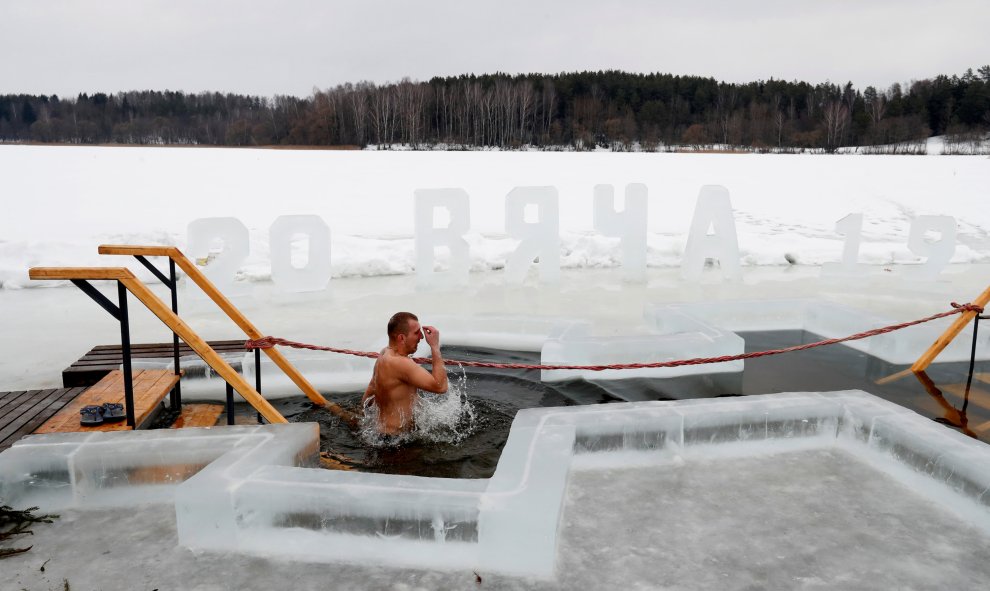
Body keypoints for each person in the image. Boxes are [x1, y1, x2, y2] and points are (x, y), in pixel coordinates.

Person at [362, 312, 448, 435]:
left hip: (382, 435)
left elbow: (371, 390)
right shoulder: (401, 363)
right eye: (416, 333)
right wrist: (435, 347)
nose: (422, 337)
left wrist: (363, 418)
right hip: (397, 444)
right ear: (401, 338)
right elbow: (441, 387)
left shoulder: (384, 354)